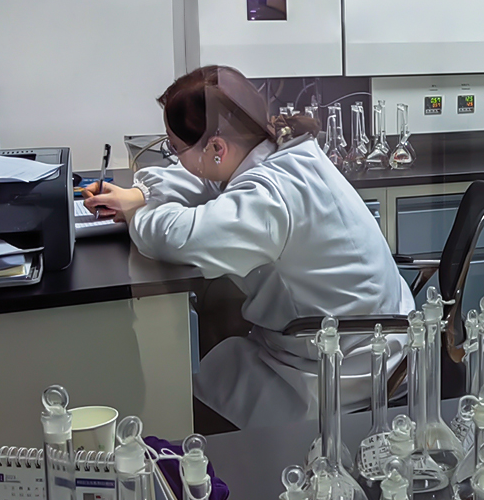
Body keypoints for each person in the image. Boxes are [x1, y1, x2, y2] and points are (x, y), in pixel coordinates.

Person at [83, 65, 414, 429]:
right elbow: (208, 180)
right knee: (216, 330)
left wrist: (137, 214)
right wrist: (139, 193)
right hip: (370, 328)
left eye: (175, 149)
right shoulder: (285, 152)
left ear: (217, 147)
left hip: (343, 364)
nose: (175, 157)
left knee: (187, 393)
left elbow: (179, 237)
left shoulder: (267, 198)